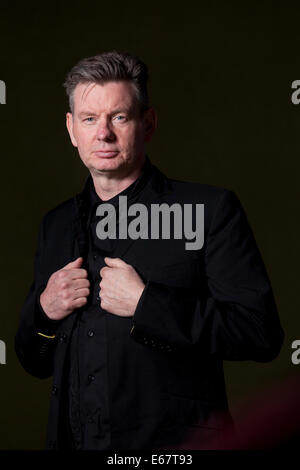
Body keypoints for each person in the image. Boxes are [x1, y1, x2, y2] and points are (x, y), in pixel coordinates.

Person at [15, 51, 284, 450]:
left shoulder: (209, 211)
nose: (103, 133)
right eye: (90, 119)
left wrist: (147, 304)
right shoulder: (55, 225)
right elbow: (32, 360)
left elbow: (260, 334)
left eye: (119, 117)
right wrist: (45, 311)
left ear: (149, 123)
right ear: (72, 129)